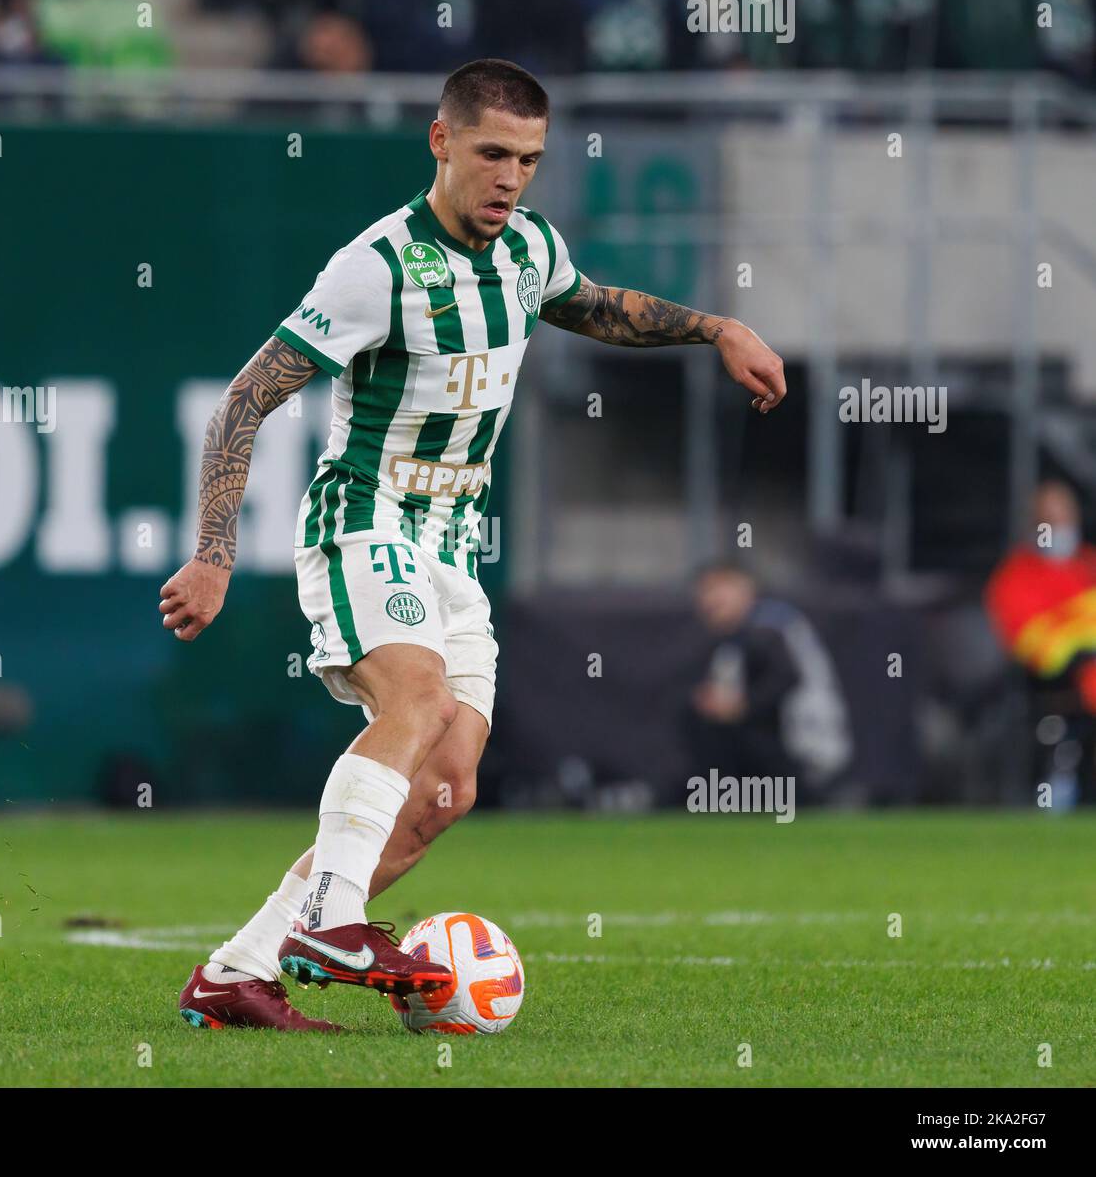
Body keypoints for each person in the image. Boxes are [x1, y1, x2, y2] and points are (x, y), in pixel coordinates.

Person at [158, 58, 787, 1032]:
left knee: (444, 788)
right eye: (492, 153)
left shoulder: (528, 247)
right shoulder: (376, 267)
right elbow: (246, 399)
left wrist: (716, 329)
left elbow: (591, 305)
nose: (509, 177)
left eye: (528, 159)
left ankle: (238, 975)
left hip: (452, 550)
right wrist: (214, 552)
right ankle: (331, 921)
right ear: (442, 142)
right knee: (417, 697)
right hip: (364, 522)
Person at [688, 563, 851, 794]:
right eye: (704, 592)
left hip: (802, 733)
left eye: (719, 589)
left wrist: (742, 705)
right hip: (778, 733)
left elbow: (787, 677)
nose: (710, 600)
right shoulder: (735, 635)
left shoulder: (769, 624)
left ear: (745, 589)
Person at [985, 479, 1096, 804]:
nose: (1060, 527)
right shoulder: (1016, 576)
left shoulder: (1089, 565)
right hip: (1057, 685)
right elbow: (1036, 646)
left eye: (1065, 517)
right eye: (1050, 519)